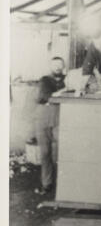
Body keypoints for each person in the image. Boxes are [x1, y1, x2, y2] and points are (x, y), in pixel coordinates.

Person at [34, 57, 66, 195]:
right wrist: (58, 95)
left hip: (60, 117)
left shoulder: (67, 79)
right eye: (55, 65)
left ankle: (64, 184)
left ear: (63, 66)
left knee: (62, 152)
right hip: (43, 118)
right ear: (50, 66)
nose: (58, 67)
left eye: (60, 65)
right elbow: (45, 96)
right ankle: (47, 184)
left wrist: (55, 97)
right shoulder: (45, 80)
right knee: (45, 153)